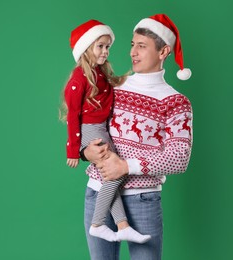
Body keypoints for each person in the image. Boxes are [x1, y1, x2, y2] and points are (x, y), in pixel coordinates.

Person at [81, 14, 193, 260]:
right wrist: (86, 151)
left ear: (163, 51)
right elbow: (90, 123)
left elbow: (179, 157)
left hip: (142, 200)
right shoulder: (114, 86)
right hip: (99, 192)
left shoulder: (175, 102)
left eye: (141, 46)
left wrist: (125, 166)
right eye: (132, 44)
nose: (133, 52)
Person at [61, 19, 151, 244]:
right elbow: (73, 116)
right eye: (100, 46)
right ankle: (98, 223)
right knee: (114, 172)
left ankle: (122, 226)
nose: (105, 51)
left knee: (109, 177)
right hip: (91, 130)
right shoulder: (79, 79)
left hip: (102, 128)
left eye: (107, 46)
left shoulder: (99, 72)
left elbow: (110, 92)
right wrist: (73, 150)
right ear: (86, 48)